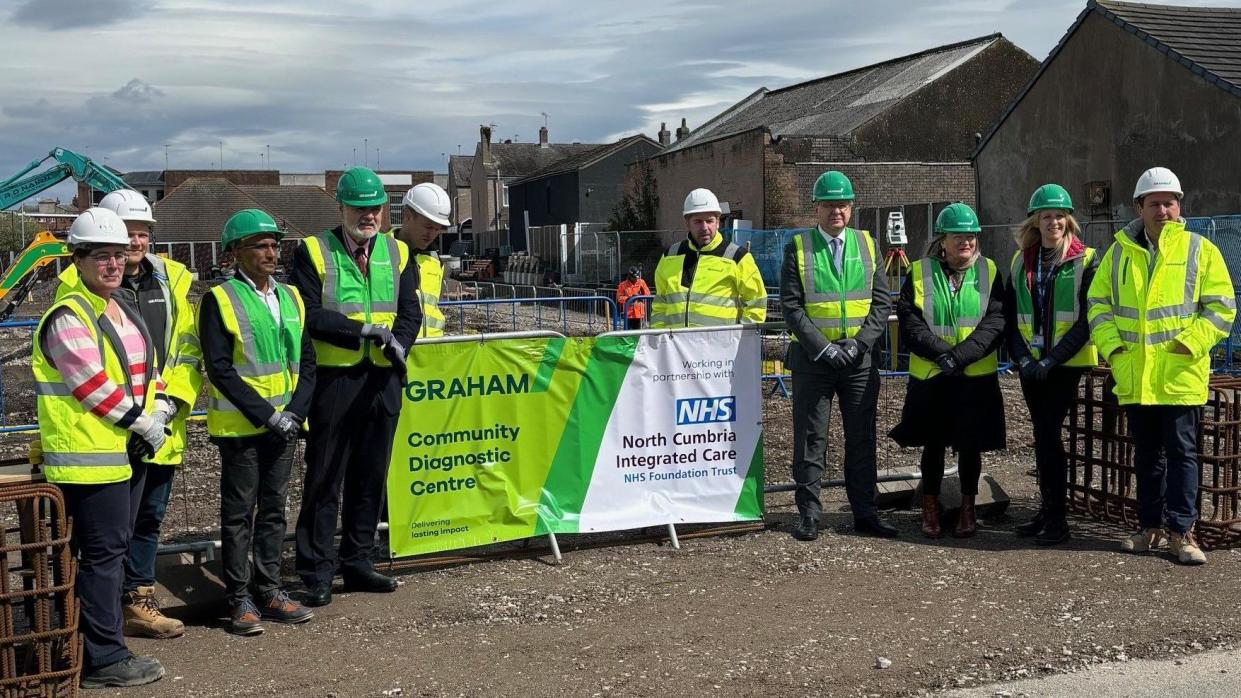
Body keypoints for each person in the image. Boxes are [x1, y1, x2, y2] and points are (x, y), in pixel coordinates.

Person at [32, 207, 168, 688]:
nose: (113, 264)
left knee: (111, 553)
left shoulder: (116, 307)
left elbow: (143, 370)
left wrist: (161, 404)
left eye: (118, 254)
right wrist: (144, 423)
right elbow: (91, 385)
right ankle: (103, 658)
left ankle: (98, 648)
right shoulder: (69, 315)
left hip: (121, 453)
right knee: (103, 558)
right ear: (78, 258)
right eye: (101, 256)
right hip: (89, 461)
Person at [67, 189, 201, 640]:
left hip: (158, 422)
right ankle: (97, 622)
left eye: (143, 235)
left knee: (148, 519)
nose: (137, 244)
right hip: (107, 430)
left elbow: (187, 348)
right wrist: (137, 417)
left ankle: (138, 600)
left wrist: (166, 407)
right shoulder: (82, 291)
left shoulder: (172, 282)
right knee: (104, 535)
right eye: (129, 235)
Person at [1087, 167, 1235, 565]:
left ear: (1179, 205)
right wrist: (1114, 350)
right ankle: (1150, 527)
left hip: (1178, 373)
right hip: (1136, 374)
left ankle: (1182, 532)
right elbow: (1098, 305)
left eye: (1170, 202)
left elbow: (1221, 308)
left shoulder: (1200, 251)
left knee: (1183, 453)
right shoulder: (1118, 253)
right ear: (1139, 207)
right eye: (1155, 203)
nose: (1163, 210)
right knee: (1147, 455)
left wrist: (1192, 343)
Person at [291, 167, 421, 606]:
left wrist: (399, 344)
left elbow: (410, 312)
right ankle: (316, 570)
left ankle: (358, 561)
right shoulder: (312, 251)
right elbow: (309, 313)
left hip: (382, 379)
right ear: (341, 207)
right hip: (335, 381)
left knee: (370, 477)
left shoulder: (398, 252)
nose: (369, 215)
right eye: (360, 207)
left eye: (375, 208)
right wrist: (362, 331)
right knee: (325, 478)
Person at [199, 209, 316, 635]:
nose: (271, 252)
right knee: (238, 514)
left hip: (285, 425)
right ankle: (239, 598)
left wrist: (296, 414)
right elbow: (220, 368)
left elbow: (304, 361)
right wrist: (269, 415)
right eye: (261, 245)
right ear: (236, 252)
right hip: (243, 429)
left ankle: (269, 590)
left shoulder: (291, 297)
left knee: (274, 511)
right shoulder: (220, 299)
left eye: (274, 244)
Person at [782, 171, 897, 541]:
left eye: (843, 204)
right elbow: (792, 308)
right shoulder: (797, 247)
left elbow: (882, 303)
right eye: (830, 204)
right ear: (815, 207)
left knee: (861, 438)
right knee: (810, 438)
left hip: (858, 363)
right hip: (814, 362)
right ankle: (810, 514)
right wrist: (825, 347)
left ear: (851, 208)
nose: (837, 211)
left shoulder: (867, 244)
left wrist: (859, 344)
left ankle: (865, 512)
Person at [891, 203, 1006, 539]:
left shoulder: (990, 271)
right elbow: (910, 323)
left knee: (970, 446)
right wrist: (944, 355)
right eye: (958, 237)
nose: (965, 242)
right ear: (943, 240)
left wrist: (961, 356)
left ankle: (967, 509)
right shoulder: (919, 271)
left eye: (970, 236)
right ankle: (930, 509)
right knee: (934, 444)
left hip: (974, 376)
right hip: (933, 375)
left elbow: (995, 321)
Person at [1003, 185, 1098, 546]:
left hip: (1065, 363)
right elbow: (1010, 318)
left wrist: (1054, 359)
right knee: (1043, 436)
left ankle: (1057, 518)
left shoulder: (1086, 259)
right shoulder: (1020, 260)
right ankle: (1047, 510)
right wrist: (1024, 358)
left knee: (1048, 434)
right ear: (1036, 221)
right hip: (1033, 365)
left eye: (1059, 216)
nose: (1054, 221)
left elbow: (1089, 319)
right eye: (1047, 216)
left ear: (1068, 220)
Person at [650, 188, 766, 328]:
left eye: (709, 221)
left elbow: (756, 303)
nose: (704, 227)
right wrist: (660, 339)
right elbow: (660, 304)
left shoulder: (738, 258)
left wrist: (738, 340)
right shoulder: (670, 256)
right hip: (676, 347)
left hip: (721, 348)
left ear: (718, 222)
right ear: (687, 223)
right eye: (698, 221)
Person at [395, 182, 450, 338]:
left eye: (437, 228)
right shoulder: (381, 253)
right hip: (395, 350)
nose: (432, 234)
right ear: (407, 216)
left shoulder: (435, 259)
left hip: (431, 351)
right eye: (428, 226)